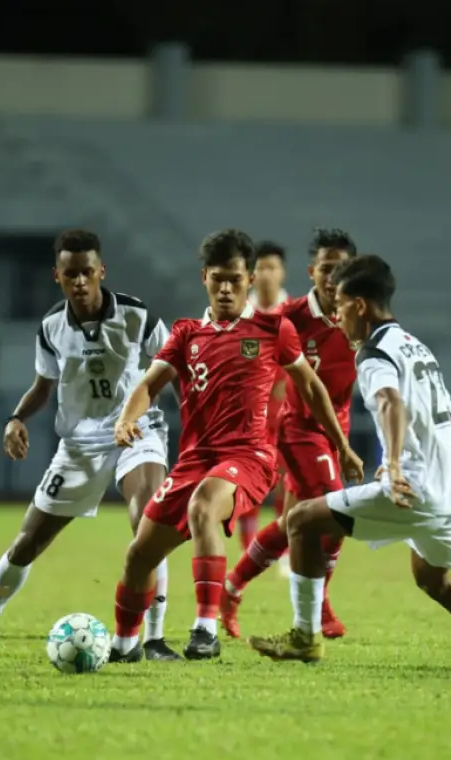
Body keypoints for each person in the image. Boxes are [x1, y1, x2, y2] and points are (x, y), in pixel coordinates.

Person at [248, 254, 451, 680]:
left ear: (360, 306)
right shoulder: (415, 346)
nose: (338, 315)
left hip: (413, 489)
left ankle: (306, 637)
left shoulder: (373, 354)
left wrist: (395, 462)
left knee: (303, 519)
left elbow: (389, 402)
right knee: (432, 581)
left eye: (341, 305)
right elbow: (449, 416)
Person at [110, 229, 362, 662]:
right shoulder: (187, 333)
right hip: (195, 458)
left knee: (204, 505)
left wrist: (341, 444)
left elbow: (313, 388)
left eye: (235, 279)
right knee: (140, 553)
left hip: (249, 457)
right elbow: (150, 384)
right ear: (204, 278)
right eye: (217, 279)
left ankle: (204, 629)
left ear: (249, 281)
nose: (226, 288)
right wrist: (126, 417)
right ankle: (123, 645)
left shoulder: (273, 328)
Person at [0, 230, 181, 660]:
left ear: (102, 271)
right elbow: (43, 386)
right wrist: (15, 419)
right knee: (28, 542)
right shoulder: (51, 327)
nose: (80, 281)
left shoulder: (137, 316)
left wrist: (193, 424)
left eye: (87, 272)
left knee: (147, 523)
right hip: (80, 443)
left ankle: (152, 639)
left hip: (135, 430)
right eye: (71, 274)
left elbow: (172, 370)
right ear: (57, 276)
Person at [222, 227, 358, 639]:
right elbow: (243, 342)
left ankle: (231, 587)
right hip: (301, 430)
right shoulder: (291, 317)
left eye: (342, 270)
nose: (333, 279)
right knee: (337, 513)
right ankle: (319, 607)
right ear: (312, 271)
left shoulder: (360, 315)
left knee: (295, 523)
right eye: (326, 270)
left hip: (340, 430)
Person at [235, 241, 292, 552]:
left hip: (286, 411)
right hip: (251, 413)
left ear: (282, 272)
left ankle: (282, 551)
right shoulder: (241, 313)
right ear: (252, 274)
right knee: (251, 479)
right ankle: (248, 548)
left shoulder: (293, 313)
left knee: (287, 481)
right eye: (261, 268)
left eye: (272, 267)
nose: (267, 274)